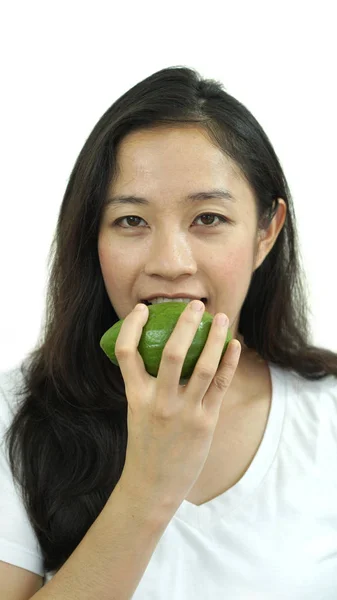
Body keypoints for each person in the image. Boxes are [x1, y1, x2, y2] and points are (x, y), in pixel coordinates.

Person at [1, 65, 337, 600]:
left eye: (208, 218)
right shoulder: (13, 413)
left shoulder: (326, 414)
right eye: (132, 221)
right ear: (92, 236)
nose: (170, 263)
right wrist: (149, 486)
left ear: (266, 232)